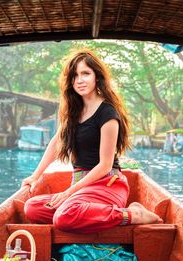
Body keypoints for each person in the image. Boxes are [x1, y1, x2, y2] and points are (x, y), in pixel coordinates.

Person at [21, 49, 161, 234]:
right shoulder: (73, 112)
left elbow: (105, 165)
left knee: (64, 217)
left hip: (108, 184)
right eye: (75, 76)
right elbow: (55, 144)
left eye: (86, 73)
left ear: (97, 76)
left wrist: (69, 193)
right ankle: (82, 212)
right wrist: (35, 176)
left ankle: (132, 214)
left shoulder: (108, 113)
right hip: (82, 186)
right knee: (32, 207)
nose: (80, 80)